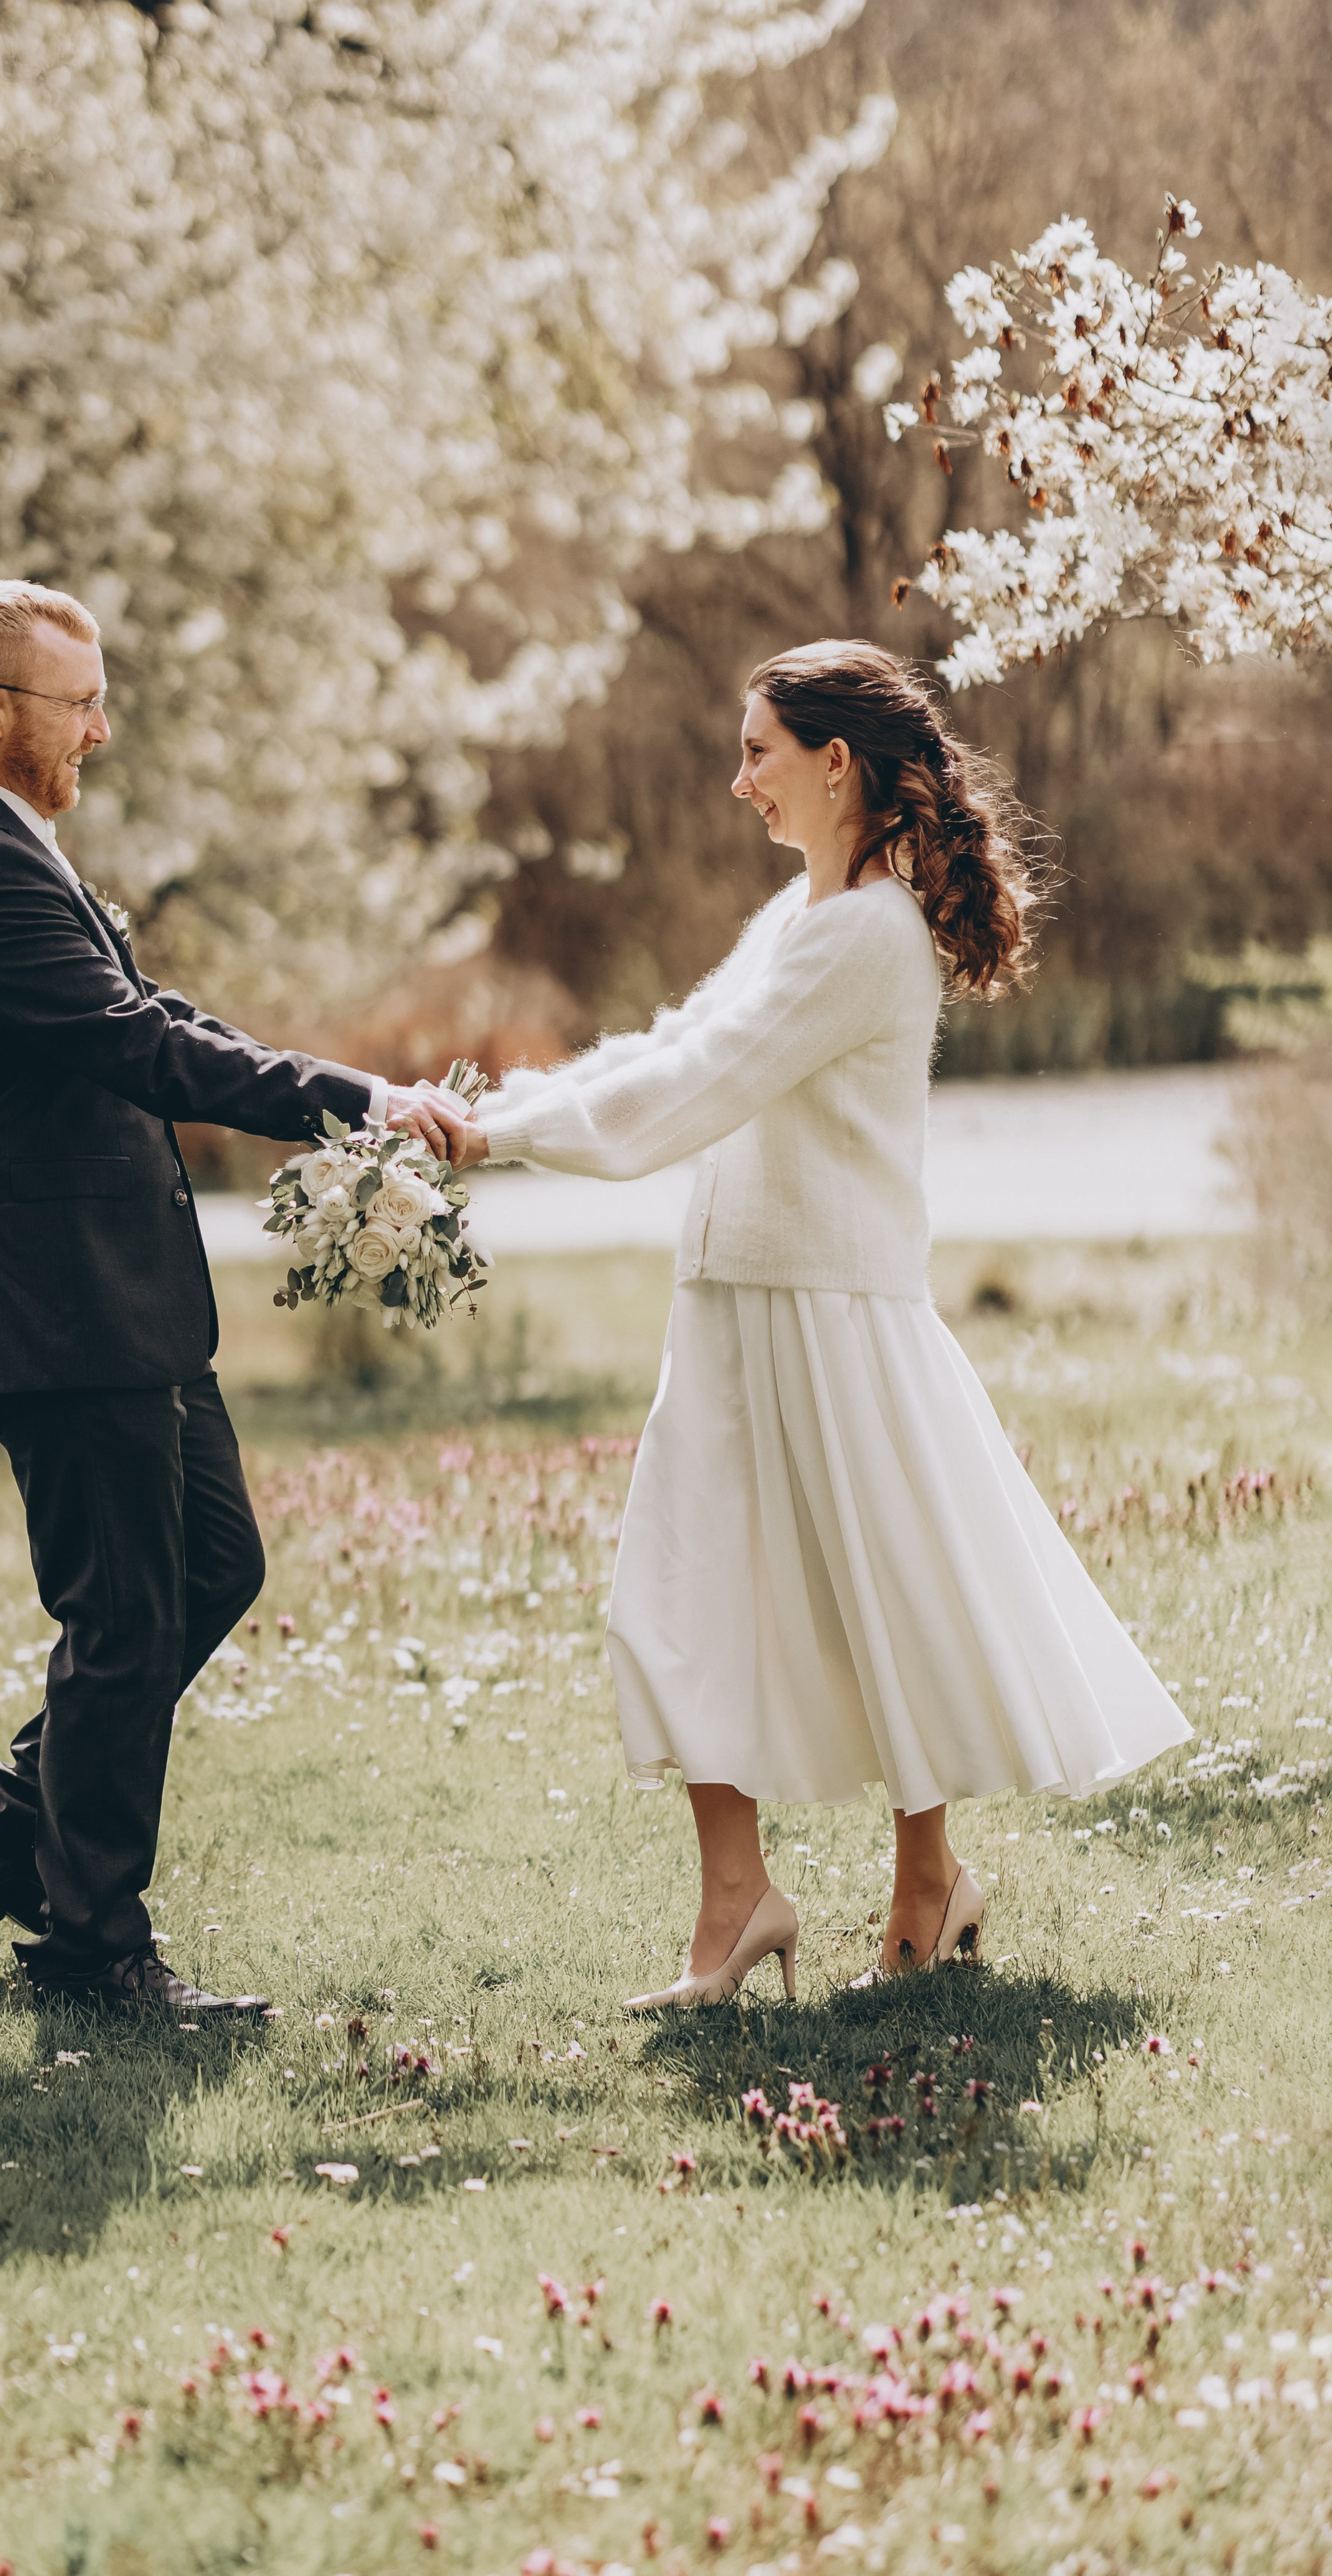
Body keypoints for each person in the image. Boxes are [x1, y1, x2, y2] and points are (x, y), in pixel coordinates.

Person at [459, 639, 1191, 2008]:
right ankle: (737, 1903)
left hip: (834, 1313)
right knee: (682, 1597)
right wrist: (486, 1113)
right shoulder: (797, 918)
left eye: (759, 753)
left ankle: (929, 1884)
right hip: (730, 1304)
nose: (739, 780)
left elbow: (699, 1088)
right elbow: (668, 1050)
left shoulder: (867, 937)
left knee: (884, 1603)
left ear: (836, 763)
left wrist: (494, 1138)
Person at [0, 578, 471, 2016]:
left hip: (115, 1301)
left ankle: (18, 1833)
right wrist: (356, 1101)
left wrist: (348, 1090)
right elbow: (140, 1049)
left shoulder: (10, 853)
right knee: (124, 1616)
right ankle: (91, 1950)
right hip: (61, 1306)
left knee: (210, 1568)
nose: (102, 728)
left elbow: (160, 1022)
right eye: (80, 703)